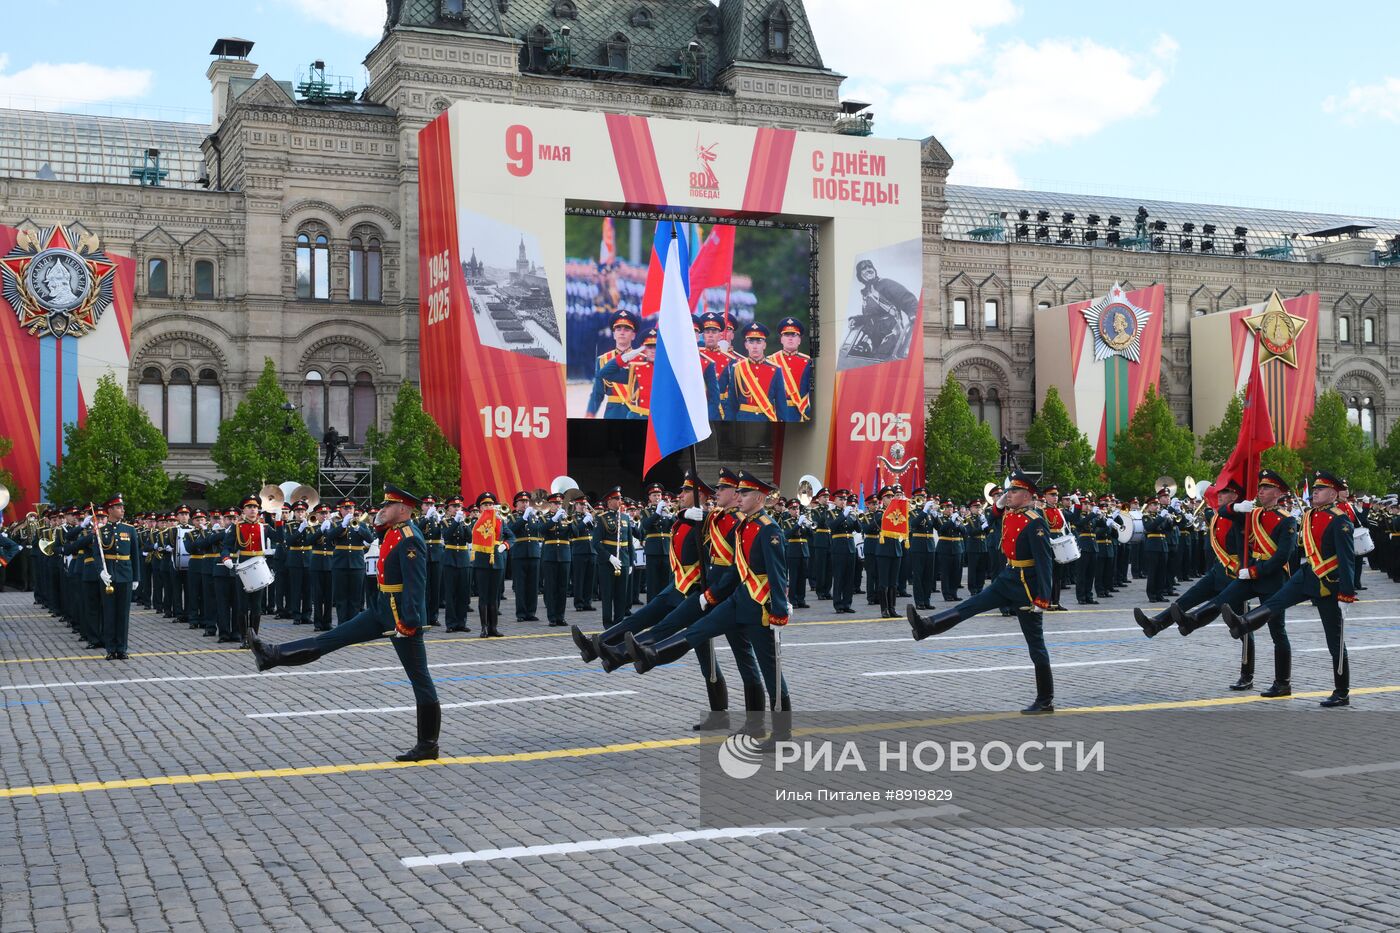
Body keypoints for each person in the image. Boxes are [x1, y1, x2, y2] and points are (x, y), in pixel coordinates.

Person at [251, 484, 442, 760]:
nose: (382, 509)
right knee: (334, 637)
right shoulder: (393, 531)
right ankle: (271, 655)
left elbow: (416, 583)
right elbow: (377, 533)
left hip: (401, 616)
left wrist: (409, 621)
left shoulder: (410, 537)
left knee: (420, 678)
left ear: (403, 510)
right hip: (381, 608)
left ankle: (428, 744)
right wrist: (379, 519)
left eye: (388, 506)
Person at [627, 471, 791, 744]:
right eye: (737, 492)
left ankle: (779, 734)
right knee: (699, 629)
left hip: (760, 606)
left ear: (760, 498)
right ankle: (651, 655)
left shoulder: (768, 528)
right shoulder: (742, 525)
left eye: (745, 493)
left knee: (769, 670)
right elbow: (722, 541)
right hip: (738, 599)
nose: (739, 497)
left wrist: (780, 611)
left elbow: (778, 574)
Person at [906, 470, 1056, 714]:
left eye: (1014, 491)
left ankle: (1045, 699)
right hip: (1007, 577)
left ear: (1027, 495)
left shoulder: (1035, 521)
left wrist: (1043, 598)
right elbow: (994, 515)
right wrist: (1000, 502)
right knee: (971, 605)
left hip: (1026, 587)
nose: (1009, 494)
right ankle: (926, 627)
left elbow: (1045, 561)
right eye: (1008, 491)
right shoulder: (1011, 513)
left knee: (1035, 644)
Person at [1222, 471, 1356, 708]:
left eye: (1321, 489)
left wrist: (1346, 593)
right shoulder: (1309, 516)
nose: (1315, 492)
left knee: (1334, 639)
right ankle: (1244, 624)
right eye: (1314, 489)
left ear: (1334, 494)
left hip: (1328, 583)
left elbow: (1347, 560)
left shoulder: (1340, 520)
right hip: (1306, 575)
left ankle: (1342, 691)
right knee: (1275, 603)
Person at [1168, 471, 1296, 695]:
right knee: (1223, 599)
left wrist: (1255, 570)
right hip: (1250, 575)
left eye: (1267, 488)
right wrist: (1237, 507)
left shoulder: (1287, 520)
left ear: (1278, 493)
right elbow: (1223, 510)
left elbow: (1282, 556)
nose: (1261, 491)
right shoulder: (1252, 513)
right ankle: (1192, 621)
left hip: (1272, 577)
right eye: (1261, 487)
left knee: (1278, 631)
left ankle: (1282, 682)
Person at [852, 259, 917, 360]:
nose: (868, 270)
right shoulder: (866, 293)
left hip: (891, 332)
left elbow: (906, 297)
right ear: (860, 275)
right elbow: (870, 316)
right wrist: (856, 320)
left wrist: (913, 312)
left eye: (870, 267)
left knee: (880, 362)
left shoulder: (886, 284)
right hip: (874, 335)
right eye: (864, 269)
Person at [470, 492, 513, 637]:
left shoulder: (500, 521)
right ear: (480, 507)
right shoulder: (475, 521)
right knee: (483, 595)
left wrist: (505, 545)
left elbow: (511, 537)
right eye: (485, 504)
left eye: (490, 504)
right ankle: (484, 627)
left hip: (497, 560)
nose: (488, 506)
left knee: (494, 596)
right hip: (482, 560)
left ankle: (493, 627)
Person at [725, 322, 787, 422]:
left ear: (764, 345)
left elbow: (781, 406)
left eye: (758, 342)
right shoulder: (737, 368)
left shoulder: (776, 369)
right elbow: (732, 404)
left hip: (767, 419)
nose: (755, 346)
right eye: (751, 342)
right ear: (746, 345)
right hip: (743, 420)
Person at [593, 486, 634, 628]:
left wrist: (631, 562)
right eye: (617, 498)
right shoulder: (601, 519)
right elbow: (596, 543)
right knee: (607, 594)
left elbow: (629, 542)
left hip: (623, 560)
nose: (620, 501)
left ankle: (619, 623)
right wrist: (609, 557)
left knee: (621, 594)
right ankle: (607, 624)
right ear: (609, 501)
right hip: (607, 562)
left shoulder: (625, 517)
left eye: (620, 498)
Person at [327, 498, 373, 626]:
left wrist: (359, 528)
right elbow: (329, 537)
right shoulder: (335, 525)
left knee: (355, 598)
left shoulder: (361, 525)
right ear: (340, 511)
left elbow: (370, 538)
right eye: (345, 508)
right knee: (341, 597)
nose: (348, 510)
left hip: (357, 564)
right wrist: (342, 525)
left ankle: (353, 625)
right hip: (340, 563)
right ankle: (342, 624)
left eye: (351, 508)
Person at [586, 311, 639, 419]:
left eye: (627, 329)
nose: (622, 332)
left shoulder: (642, 359)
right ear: (614, 334)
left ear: (633, 335)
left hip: (637, 413)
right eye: (618, 329)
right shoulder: (602, 360)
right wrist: (590, 414)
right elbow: (597, 394)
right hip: (613, 414)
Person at [768, 316, 813, 422]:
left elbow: (812, 393)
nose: (790, 338)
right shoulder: (770, 361)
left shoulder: (809, 362)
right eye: (786, 335)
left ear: (799, 340)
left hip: (799, 412)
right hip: (775, 413)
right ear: (781, 339)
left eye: (794, 335)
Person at [508, 492, 544, 622]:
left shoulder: (533, 517)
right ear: (516, 504)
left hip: (534, 553)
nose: (525, 504)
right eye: (522, 502)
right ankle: (521, 613)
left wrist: (532, 517)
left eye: (527, 502)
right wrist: (523, 518)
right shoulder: (513, 517)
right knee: (521, 585)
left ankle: (531, 612)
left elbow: (540, 530)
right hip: (520, 554)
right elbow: (511, 530)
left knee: (533, 584)